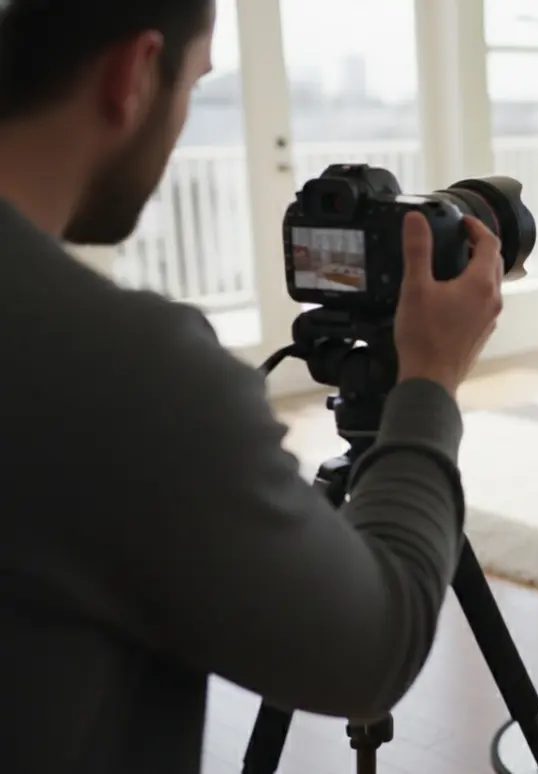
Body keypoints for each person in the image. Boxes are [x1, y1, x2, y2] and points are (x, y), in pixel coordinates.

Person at [0, 2, 504, 773]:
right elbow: (371, 656)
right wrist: (431, 376)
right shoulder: (134, 371)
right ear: (134, 73)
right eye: (195, 85)